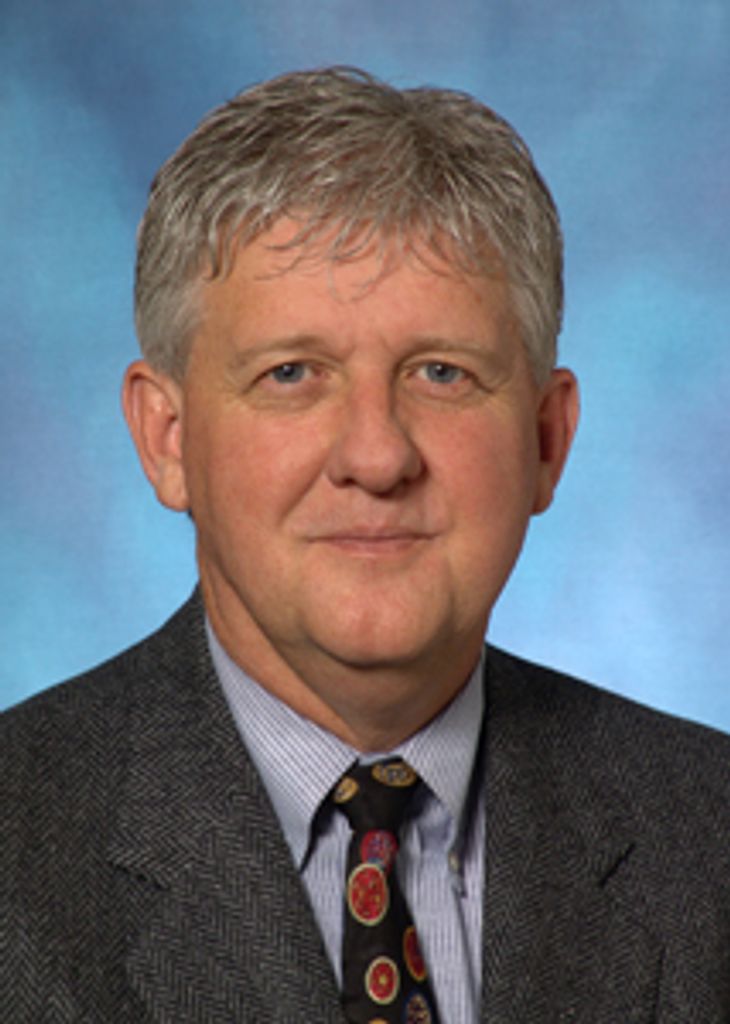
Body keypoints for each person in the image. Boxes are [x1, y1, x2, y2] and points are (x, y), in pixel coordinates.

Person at [2, 67, 729, 1024]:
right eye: (292, 374)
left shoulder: (709, 838)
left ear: (547, 439)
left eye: (442, 373)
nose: (378, 457)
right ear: (167, 439)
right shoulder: (20, 846)